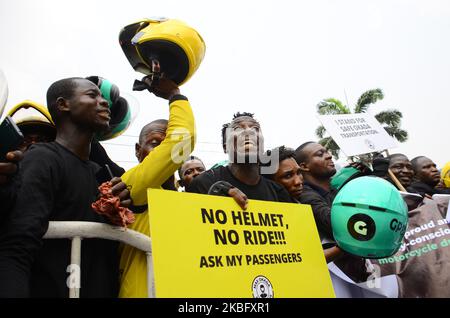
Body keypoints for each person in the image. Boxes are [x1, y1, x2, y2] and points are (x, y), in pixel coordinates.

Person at [0, 77, 131, 297]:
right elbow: (16, 248)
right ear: (63, 105)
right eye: (92, 95)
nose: (104, 102)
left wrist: (118, 212)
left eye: (102, 96)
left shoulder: (102, 175)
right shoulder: (43, 158)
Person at [119, 76, 196, 298]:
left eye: (166, 142)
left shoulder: (181, 197)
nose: (162, 149)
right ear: (137, 150)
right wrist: (174, 94)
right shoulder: (132, 182)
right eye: (155, 143)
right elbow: (181, 140)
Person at [187, 112, 293, 206]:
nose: (248, 132)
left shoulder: (278, 193)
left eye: (255, 128)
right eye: (237, 129)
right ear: (225, 147)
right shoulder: (203, 183)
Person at [262, 145, 341, 263]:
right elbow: (306, 260)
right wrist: (349, 245)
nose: (298, 181)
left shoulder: (300, 205)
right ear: (271, 182)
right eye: (288, 176)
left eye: (298, 173)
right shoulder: (268, 218)